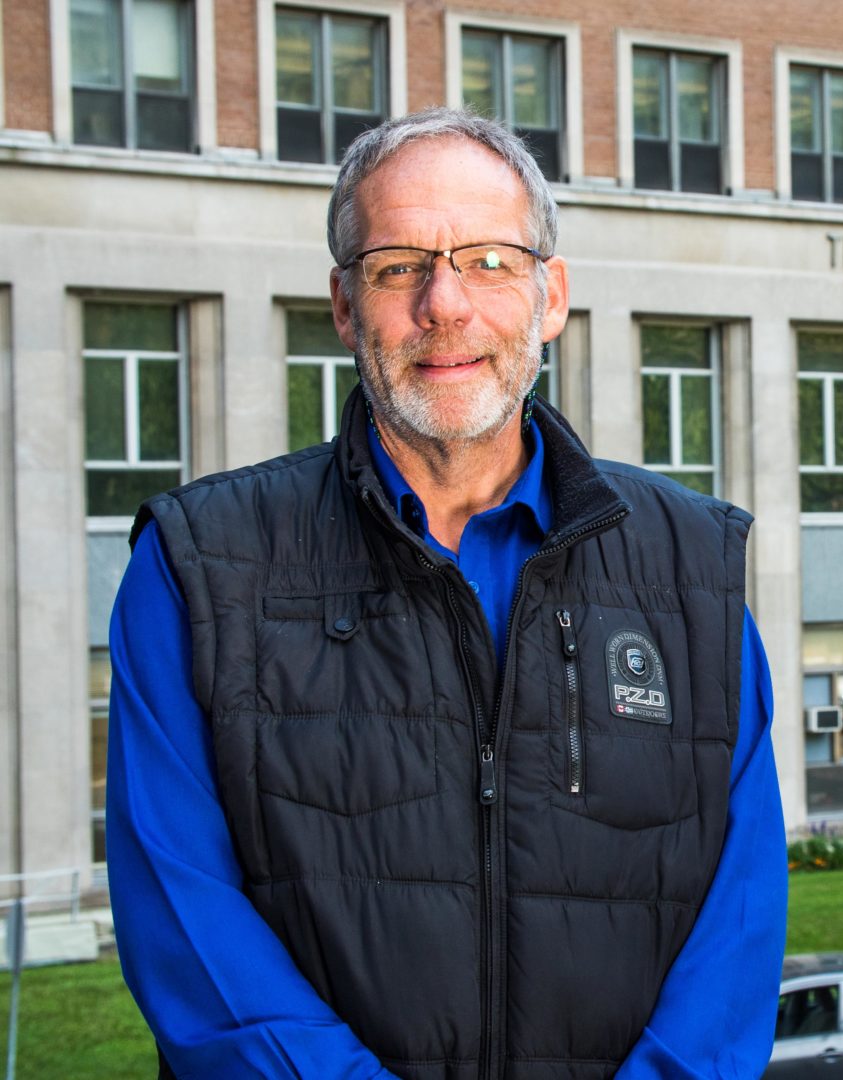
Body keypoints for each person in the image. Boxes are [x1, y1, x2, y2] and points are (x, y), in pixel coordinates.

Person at [106, 107, 788, 1080]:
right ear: (344, 305)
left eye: (489, 262)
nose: (445, 304)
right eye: (397, 267)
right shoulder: (195, 569)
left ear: (551, 296)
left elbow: (741, 922)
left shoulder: (692, 570)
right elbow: (189, 930)